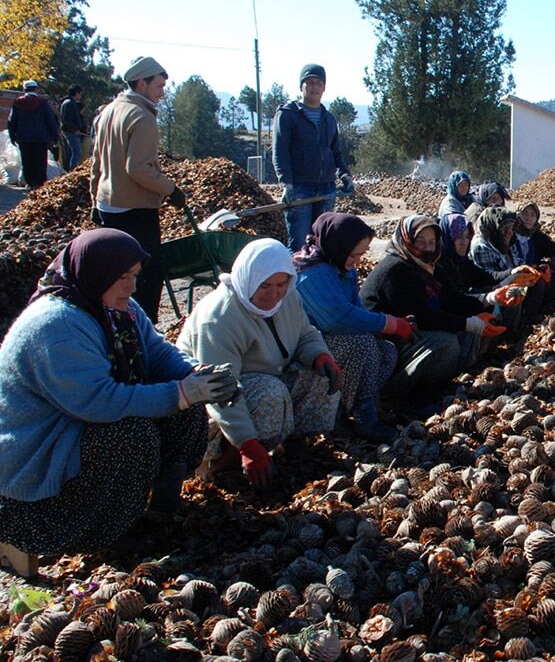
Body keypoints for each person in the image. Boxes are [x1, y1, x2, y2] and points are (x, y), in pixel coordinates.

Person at [0, 229, 232, 575]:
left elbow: (157, 353)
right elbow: (99, 402)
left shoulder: (117, 308)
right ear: (95, 273)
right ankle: (105, 532)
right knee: (130, 437)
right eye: (122, 277)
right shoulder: (56, 325)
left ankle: (159, 510)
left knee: (185, 411)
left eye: (135, 275)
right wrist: (182, 393)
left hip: (80, 424)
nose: (132, 286)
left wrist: (195, 374)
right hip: (39, 448)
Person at [177, 239, 342, 487]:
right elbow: (218, 389)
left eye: (280, 285)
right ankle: (224, 465)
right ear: (249, 279)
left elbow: (304, 333)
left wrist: (320, 355)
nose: (273, 294)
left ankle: (293, 445)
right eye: (264, 285)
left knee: (319, 374)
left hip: (268, 377)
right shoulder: (220, 317)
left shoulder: (288, 298)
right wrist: (247, 444)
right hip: (210, 406)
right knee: (269, 392)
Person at [361, 215, 507, 409]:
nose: (427, 248)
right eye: (420, 242)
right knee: (446, 343)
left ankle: (438, 386)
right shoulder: (395, 269)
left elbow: (453, 299)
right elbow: (422, 316)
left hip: (414, 332)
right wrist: (470, 324)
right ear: (406, 239)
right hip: (385, 344)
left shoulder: (429, 266)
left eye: (431, 242)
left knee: (467, 332)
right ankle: (400, 396)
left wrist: (490, 298)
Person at [293, 213, 411, 442]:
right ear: (338, 247)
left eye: (360, 255)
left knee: (387, 351)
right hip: (310, 345)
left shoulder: (342, 267)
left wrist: (381, 327)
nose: (356, 261)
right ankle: (348, 417)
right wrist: (388, 323)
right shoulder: (311, 274)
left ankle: (362, 408)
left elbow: (356, 308)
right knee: (361, 344)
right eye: (353, 255)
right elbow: (336, 319)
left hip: (334, 339)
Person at [90, 56, 188, 325]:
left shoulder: (109, 111)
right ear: (141, 83)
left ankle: (115, 323)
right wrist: (171, 190)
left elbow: (96, 162)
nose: (162, 93)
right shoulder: (142, 117)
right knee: (146, 274)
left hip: (108, 204)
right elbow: (138, 169)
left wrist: (94, 200)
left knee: (116, 272)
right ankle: (143, 329)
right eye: (159, 86)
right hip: (135, 209)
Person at [272, 64, 353, 252]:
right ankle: (296, 272)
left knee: (322, 244)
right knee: (300, 245)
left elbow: (335, 151)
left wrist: (345, 175)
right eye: (309, 82)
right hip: (300, 188)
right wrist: (287, 183)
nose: (314, 87)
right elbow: (280, 151)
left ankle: (318, 272)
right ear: (301, 86)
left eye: (318, 83)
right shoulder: (287, 115)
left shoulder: (328, 118)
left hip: (327, 187)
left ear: (324, 87)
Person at [470, 206, 548, 329]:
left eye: (511, 228)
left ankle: (528, 319)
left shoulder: (508, 239)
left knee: (537, 282)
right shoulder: (482, 247)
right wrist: (514, 277)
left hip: (510, 278)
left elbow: (517, 262)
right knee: (515, 295)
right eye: (505, 229)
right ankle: (510, 332)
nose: (510, 233)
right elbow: (490, 279)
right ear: (495, 229)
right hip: (493, 290)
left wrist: (530, 270)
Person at [513, 201, 555, 317]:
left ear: (537, 218)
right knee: (534, 285)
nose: (529, 218)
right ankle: (523, 317)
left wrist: (551, 265)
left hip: (533, 275)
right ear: (518, 215)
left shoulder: (538, 237)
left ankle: (545, 307)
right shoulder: (510, 233)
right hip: (513, 275)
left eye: (532, 215)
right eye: (525, 214)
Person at [7, 80, 60, 190]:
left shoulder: (18, 102)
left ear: (24, 89)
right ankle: (39, 184)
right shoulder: (43, 102)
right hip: (40, 138)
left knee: (26, 161)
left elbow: (11, 121)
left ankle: (29, 183)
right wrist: (55, 136)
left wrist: (12, 136)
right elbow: (50, 120)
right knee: (40, 161)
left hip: (23, 138)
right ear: (36, 89)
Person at [59, 85, 85, 171]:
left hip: (70, 131)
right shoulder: (69, 103)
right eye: (80, 94)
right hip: (71, 132)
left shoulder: (68, 102)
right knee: (77, 152)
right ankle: (73, 171)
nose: (80, 96)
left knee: (76, 152)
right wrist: (75, 130)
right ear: (76, 93)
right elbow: (66, 119)